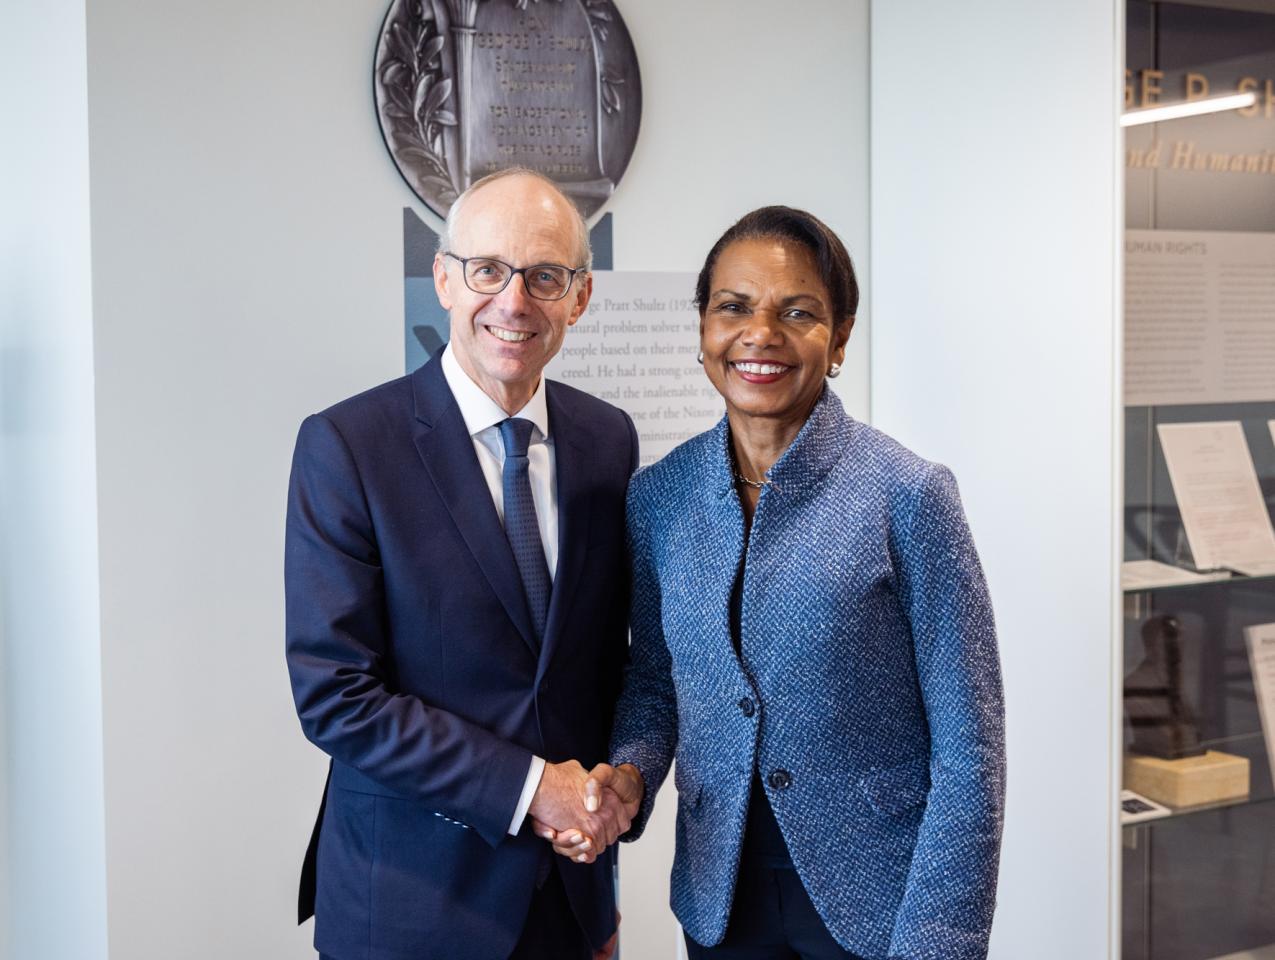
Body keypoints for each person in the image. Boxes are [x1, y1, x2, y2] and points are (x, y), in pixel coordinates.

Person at [547, 206, 1006, 959]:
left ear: (840, 337)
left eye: (797, 312)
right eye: (733, 307)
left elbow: (970, 748)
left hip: (879, 901)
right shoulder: (659, 497)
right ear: (703, 329)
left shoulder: (906, 494)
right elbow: (656, 683)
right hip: (720, 897)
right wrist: (631, 771)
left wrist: (940, 941)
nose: (760, 334)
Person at [285, 168, 640, 960]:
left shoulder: (607, 440)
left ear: (579, 298)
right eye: (487, 270)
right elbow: (335, 696)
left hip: (569, 901)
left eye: (545, 276)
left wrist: (612, 797)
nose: (514, 302)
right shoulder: (347, 446)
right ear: (444, 279)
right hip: (409, 907)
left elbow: (601, 664)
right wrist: (529, 790)